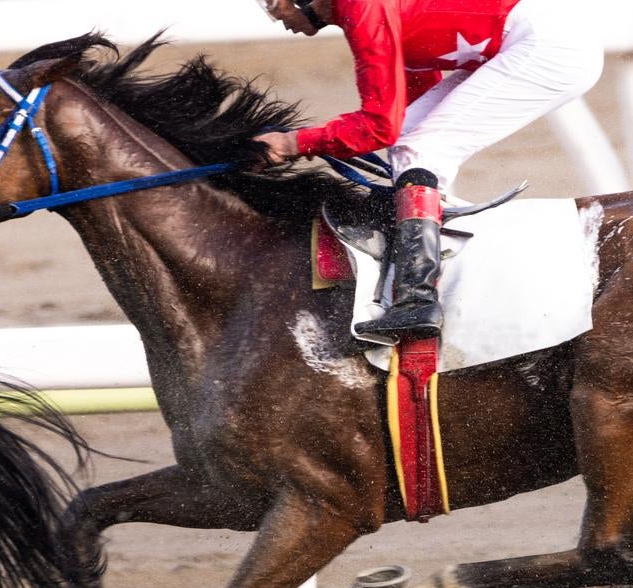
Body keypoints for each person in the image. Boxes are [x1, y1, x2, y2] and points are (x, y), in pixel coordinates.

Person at [255, 0, 603, 339]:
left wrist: (293, 144)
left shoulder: (363, 8)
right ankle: (425, 250)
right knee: (411, 143)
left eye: (273, 4)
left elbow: (379, 126)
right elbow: (408, 104)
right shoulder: (361, 11)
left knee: (420, 149)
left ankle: (416, 299)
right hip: (538, 37)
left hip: (547, 46)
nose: (275, 15)